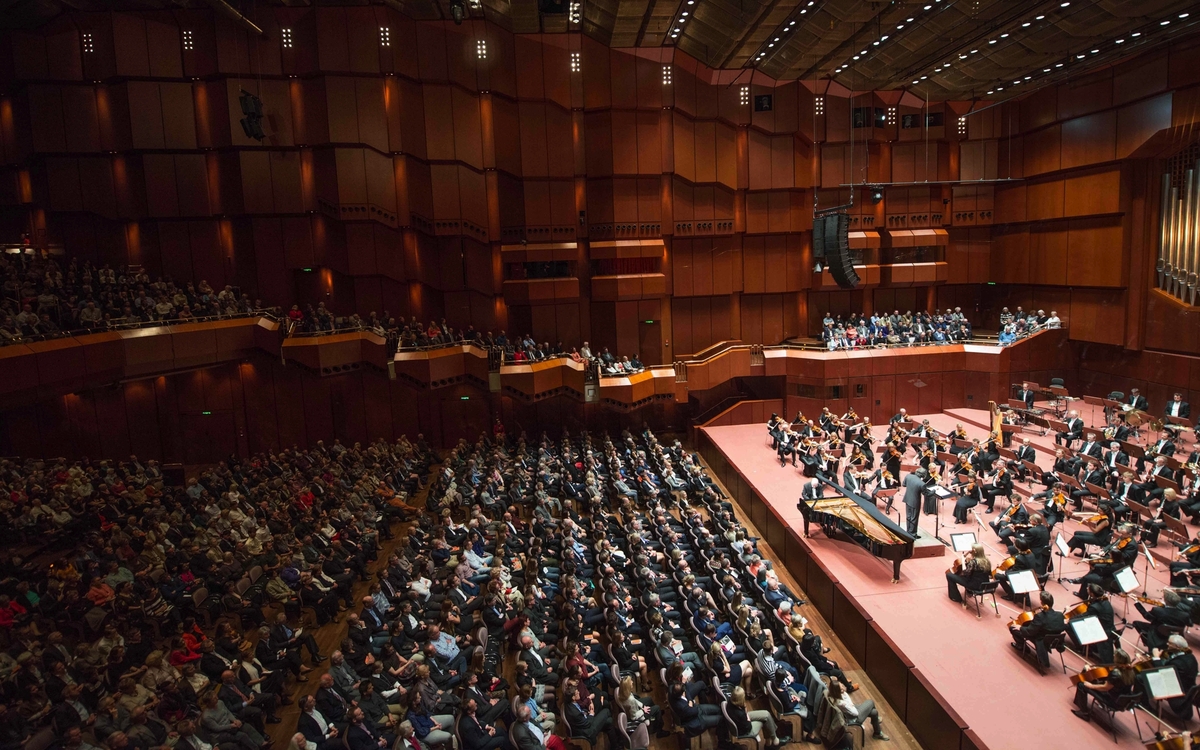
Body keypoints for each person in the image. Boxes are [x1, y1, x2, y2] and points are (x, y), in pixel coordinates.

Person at [1071, 648, 1140, 722]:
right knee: (1097, 680)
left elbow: (1105, 688)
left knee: (1081, 684)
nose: (1113, 656)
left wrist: (1089, 685)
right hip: (1123, 701)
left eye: (1115, 656)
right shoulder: (1131, 672)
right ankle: (1083, 703)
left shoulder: (1115, 674)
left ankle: (1084, 712)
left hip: (1111, 699)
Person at [1009, 591, 1065, 669]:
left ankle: (1021, 646)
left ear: (1042, 603)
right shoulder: (1060, 615)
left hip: (1041, 639)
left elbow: (1030, 631)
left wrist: (1020, 627)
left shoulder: (1040, 616)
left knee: (1013, 627)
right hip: (1054, 641)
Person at [901, 468, 928, 535]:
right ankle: (912, 533)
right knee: (914, 518)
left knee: (908, 516)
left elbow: (903, 484)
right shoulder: (922, 483)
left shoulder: (908, 476)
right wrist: (934, 492)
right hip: (915, 502)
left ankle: (908, 531)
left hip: (907, 499)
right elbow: (926, 494)